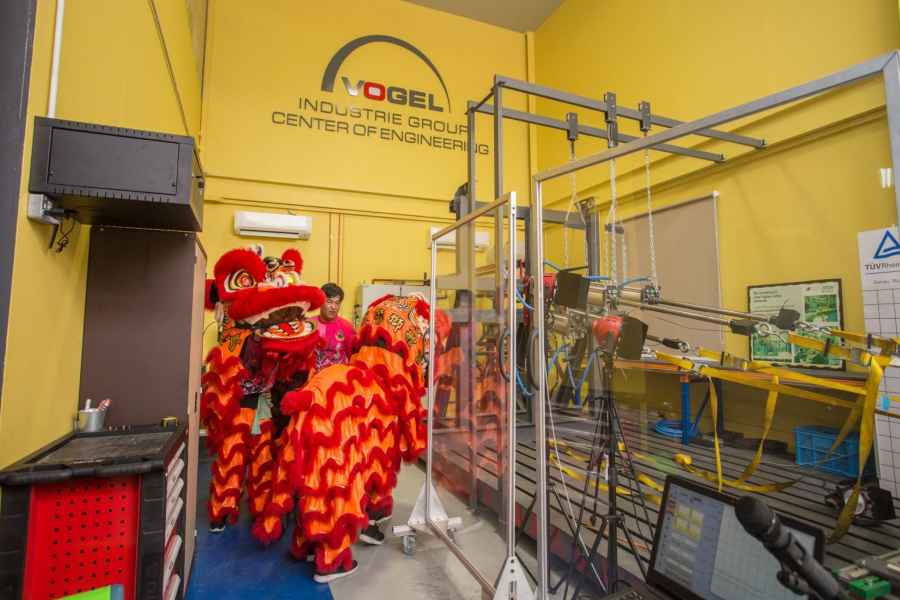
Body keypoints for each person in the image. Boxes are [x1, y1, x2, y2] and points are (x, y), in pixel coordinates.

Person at [310, 282, 356, 370]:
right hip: (313, 376)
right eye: (329, 302)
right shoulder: (309, 325)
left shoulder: (347, 328)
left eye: (337, 303)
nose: (333, 307)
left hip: (338, 376)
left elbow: (353, 357)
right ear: (320, 302)